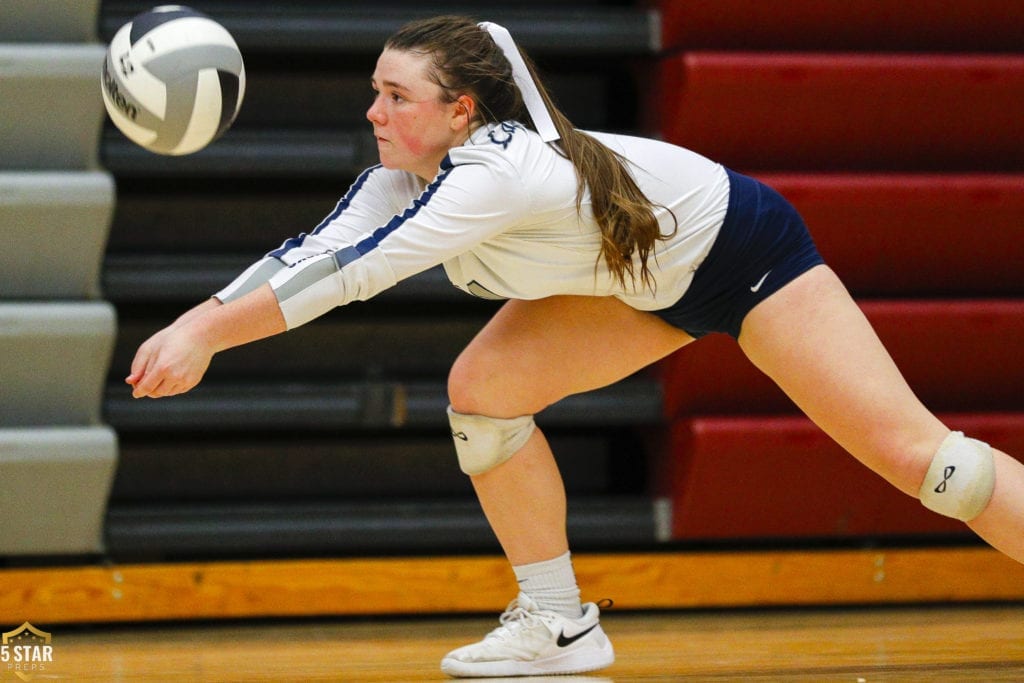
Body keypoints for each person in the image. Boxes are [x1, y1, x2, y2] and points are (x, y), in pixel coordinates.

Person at [126, 14, 1024, 679]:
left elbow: (354, 275)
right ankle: (559, 621)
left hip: (743, 250)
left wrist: (205, 332)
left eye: (396, 96)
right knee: (482, 391)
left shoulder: (494, 175)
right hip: (643, 287)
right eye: (374, 90)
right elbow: (312, 252)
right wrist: (196, 322)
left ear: (462, 110)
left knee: (933, 467)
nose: (373, 111)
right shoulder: (401, 177)